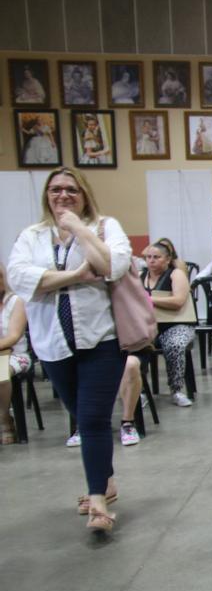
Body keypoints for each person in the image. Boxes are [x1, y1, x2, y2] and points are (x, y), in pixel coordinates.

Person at [7, 167, 131, 533]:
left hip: (101, 339)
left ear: (84, 193)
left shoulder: (106, 226)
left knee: (92, 420)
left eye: (71, 190)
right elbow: (21, 278)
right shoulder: (31, 236)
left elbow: (112, 266)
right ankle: (105, 480)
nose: (62, 195)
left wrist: (78, 228)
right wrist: (76, 276)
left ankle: (97, 500)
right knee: (81, 415)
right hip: (53, 343)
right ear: (47, 195)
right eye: (56, 189)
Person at [141, 240, 196, 407]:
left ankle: (176, 390)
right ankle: (141, 392)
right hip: (148, 326)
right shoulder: (139, 276)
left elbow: (179, 301)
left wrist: (148, 299)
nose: (151, 260)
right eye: (148, 257)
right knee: (132, 345)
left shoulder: (176, 274)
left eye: (156, 257)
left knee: (175, 344)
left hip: (177, 325)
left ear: (167, 259)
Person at [0, 263, 31, 444]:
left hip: (15, 355)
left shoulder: (16, 301)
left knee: (1, 374)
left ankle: (4, 418)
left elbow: (13, 337)